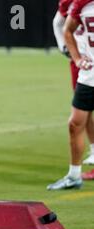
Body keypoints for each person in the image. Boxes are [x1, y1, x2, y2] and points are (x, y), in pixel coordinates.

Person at [48, 0, 94, 190]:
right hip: (90, 74)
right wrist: (75, 58)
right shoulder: (80, 3)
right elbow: (66, 29)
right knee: (75, 124)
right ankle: (74, 176)